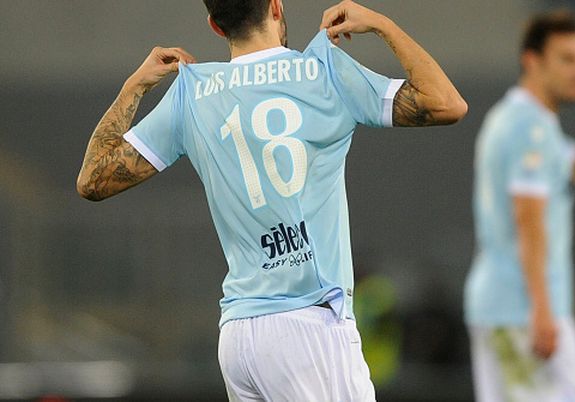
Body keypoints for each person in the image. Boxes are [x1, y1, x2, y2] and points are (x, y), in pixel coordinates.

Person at [76, 0, 467, 400]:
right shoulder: (324, 71)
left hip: (239, 336)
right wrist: (382, 25)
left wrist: (135, 85)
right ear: (276, 6)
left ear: (215, 25)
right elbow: (447, 103)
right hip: (309, 328)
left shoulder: (191, 93)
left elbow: (93, 180)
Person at [464, 10, 575, 402]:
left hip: (513, 307)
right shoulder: (527, 129)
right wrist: (542, 310)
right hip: (521, 309)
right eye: (567, 59)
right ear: (532, 61)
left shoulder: (534, 125)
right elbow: (528, 218)